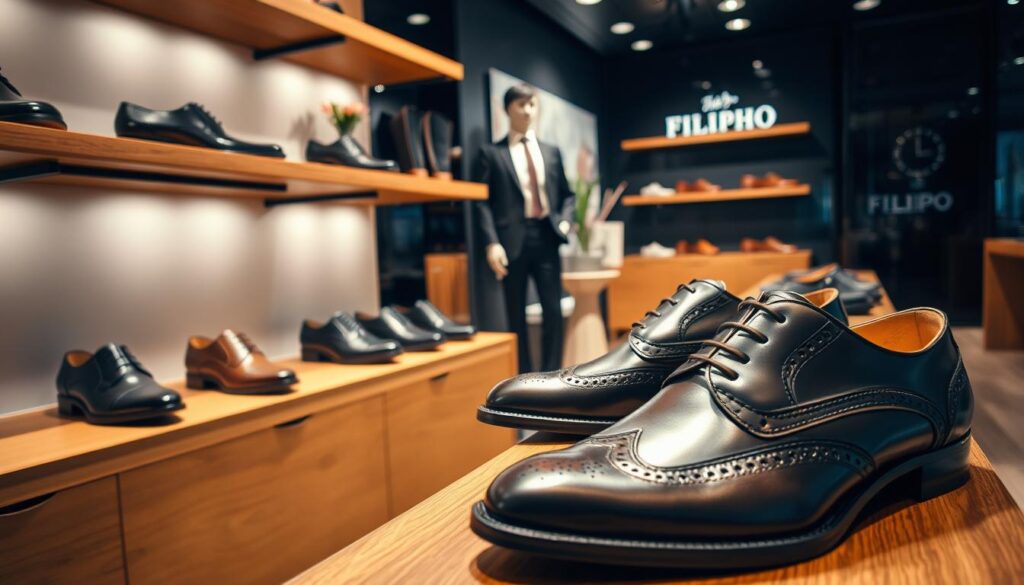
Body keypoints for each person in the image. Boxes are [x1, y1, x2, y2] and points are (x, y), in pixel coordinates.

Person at [473, 83, 575, 372]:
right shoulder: (491, 154)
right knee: (515, 314)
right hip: (511, 241)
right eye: (521, 104)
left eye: (532, 104)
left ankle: (553, 375)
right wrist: (491, 242)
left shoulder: (551, 152)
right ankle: (524, 379)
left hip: (547, 236)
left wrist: (565, 223)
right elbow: (482, 203)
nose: (528, 110)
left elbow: (568, 194)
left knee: (553, 311)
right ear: (508, 109)